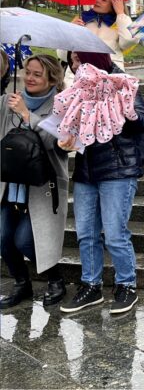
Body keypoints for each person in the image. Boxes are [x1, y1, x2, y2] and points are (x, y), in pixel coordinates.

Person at [59, 52, 144, 314]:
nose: (74, 66)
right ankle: (91, 286)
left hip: (118, 168)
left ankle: (127, 285)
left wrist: (124, 109)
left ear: (93, 59)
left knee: (114, 233)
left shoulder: (121, 83)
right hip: (86, 171)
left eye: (79, 60)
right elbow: (70, 128)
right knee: (86, 233)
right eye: (72, 61)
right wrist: (67, 138)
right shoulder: (79, 91)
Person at [0, 55, 68, 308]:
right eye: (27, 72)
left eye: (37, 74)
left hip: (43, 188)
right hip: (10, 185)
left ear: (52, 78)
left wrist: (28, 116)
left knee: (25, 240)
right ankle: (21, 284)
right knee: (3, 239)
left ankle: (55, 279)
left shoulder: (61, 105)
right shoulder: (9, 100)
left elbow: (57, 142)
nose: (29, 77)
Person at [64, 0, 136, 72]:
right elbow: (63, 55)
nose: (97, 0)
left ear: (113, 5)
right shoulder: (81, 20)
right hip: (79, 75)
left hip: (108, 75)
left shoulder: (120, 23)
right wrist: (69, 30)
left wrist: (120, 13)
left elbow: (128, 42)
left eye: (103, 0)